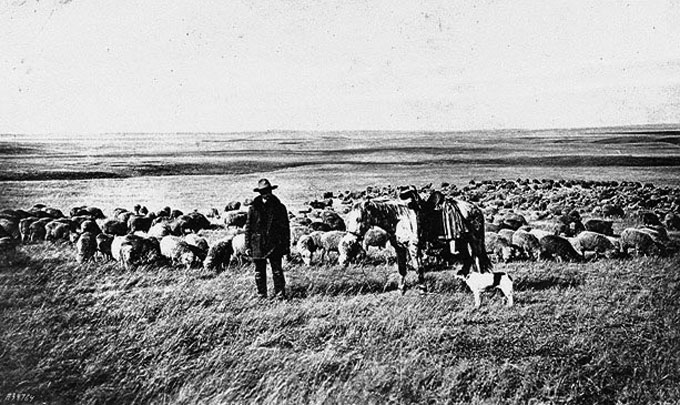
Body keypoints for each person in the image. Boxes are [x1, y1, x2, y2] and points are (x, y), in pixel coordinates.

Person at [244, 178, 291, 299]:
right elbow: (248, 228)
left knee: (277, 270)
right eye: (263, 191)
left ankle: (280, 294)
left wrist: (286, 246)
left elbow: (285, 228)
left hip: (275, 243)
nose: (266, 194)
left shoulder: (280, 208)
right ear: (260, 193)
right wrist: (247, 245)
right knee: (259, 272)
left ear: (271, 191)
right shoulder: (253, 208)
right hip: (258, 244)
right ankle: (261, 295)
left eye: (268, 191)